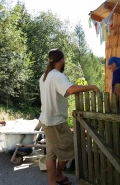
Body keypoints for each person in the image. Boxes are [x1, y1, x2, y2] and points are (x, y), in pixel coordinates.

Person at [39, 49, 100, 185]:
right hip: (56, 122)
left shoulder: (44, 76)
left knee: (51, 154)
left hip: (46, 120)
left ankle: (54, 180)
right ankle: (58, 174)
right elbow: (70, 90)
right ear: (62, 60)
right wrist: (93, 87)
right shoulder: (57, 76)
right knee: (70, 150)